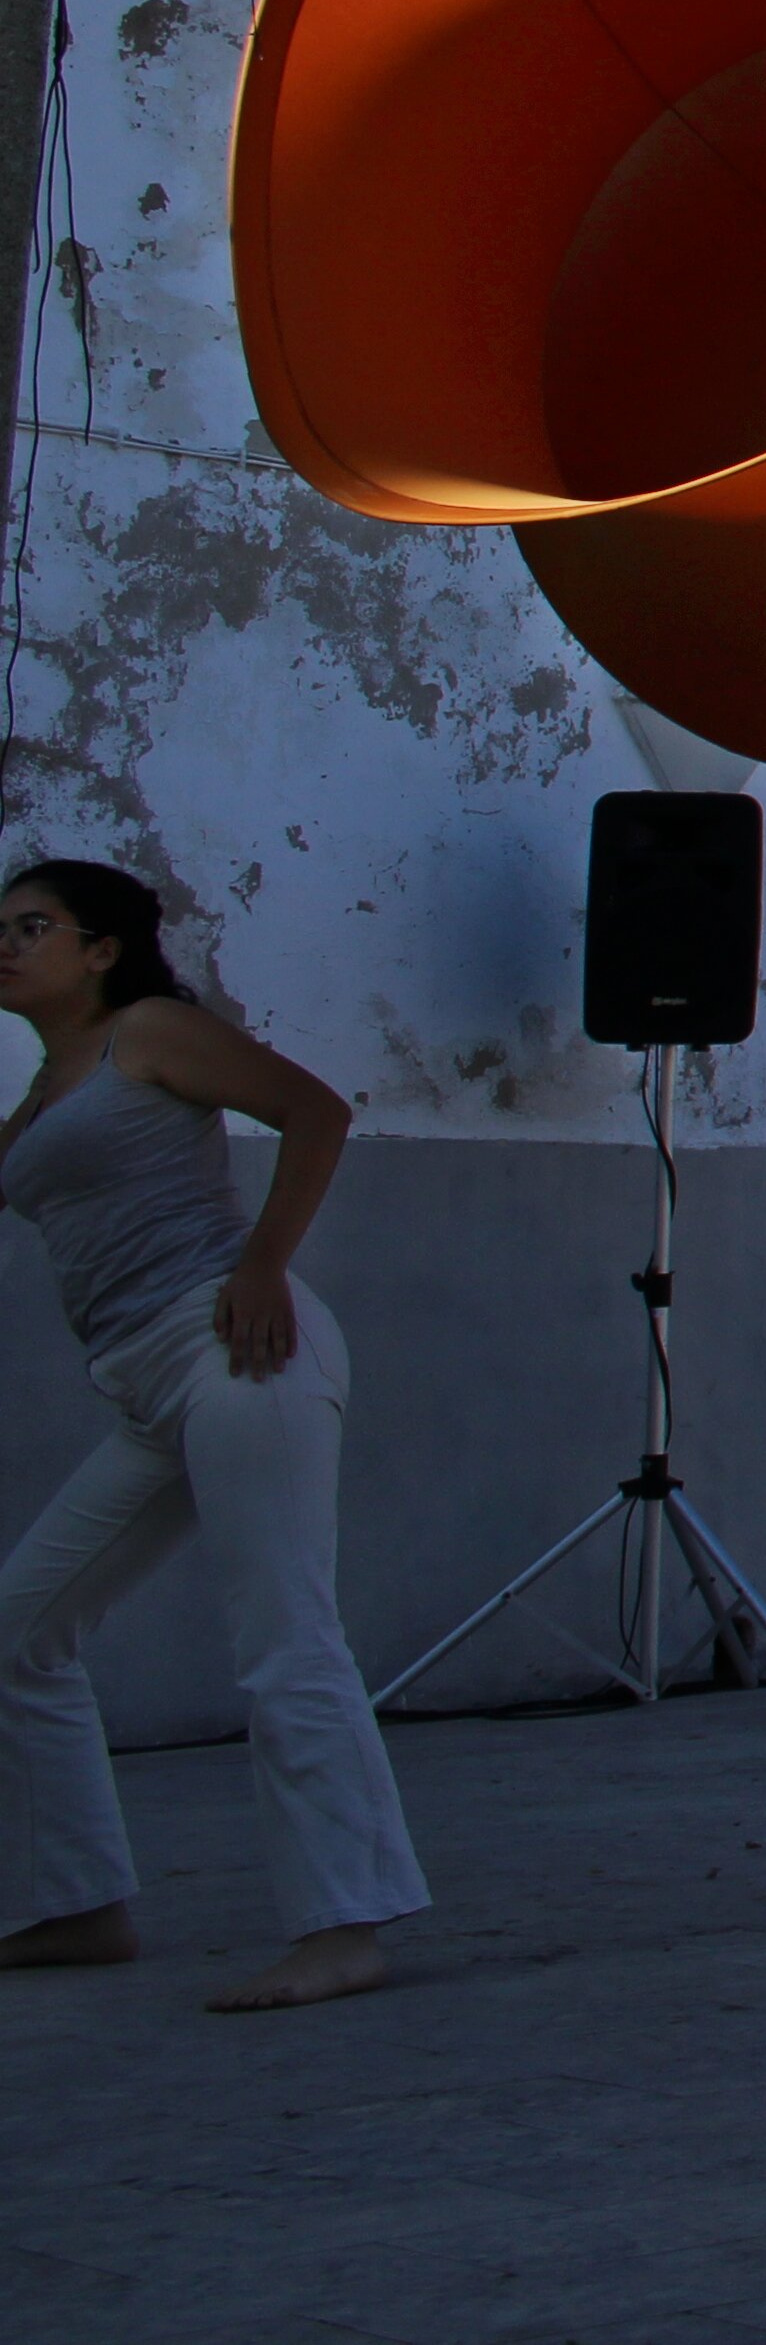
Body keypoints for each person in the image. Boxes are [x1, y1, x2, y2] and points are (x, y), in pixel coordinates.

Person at [0, 857, 429, 2010]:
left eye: (33, 925)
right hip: (147, 1386)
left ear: (100, 949)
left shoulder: (149, 1030)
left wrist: (261, 1266)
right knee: (17, 1630)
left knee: (285, 1635)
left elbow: (314, 1112)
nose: (7, 943)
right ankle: (77, 1905)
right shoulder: (43, 1095)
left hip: (236, 1348)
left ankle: (346, 1926)